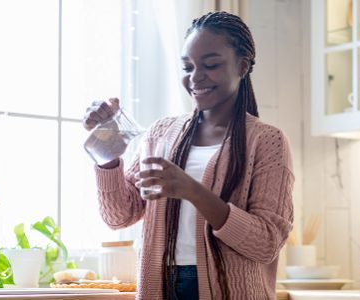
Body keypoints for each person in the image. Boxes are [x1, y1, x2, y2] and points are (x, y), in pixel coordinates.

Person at [83, 11, 294, 300]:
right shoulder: (162, 133)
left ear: (243, 66)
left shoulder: (267, 141)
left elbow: (266, 243)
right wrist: (105, 149)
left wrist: (193, 191)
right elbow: (120, 215)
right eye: (187, 66)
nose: (195, 77)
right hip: (162, 282)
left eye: (211, 64)